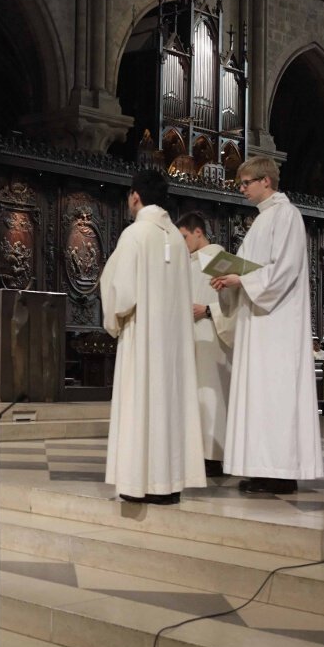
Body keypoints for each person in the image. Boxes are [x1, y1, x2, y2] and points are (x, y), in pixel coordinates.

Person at [211, 157, 324, 495]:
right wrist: (230, 278)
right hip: (256, 323)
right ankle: (261, 468)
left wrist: (241, 279)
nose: (241, 188)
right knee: (257, 396)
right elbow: (251, 268)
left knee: (275, 395)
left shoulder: (287, 215)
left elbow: (283, 270)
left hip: (277, 326)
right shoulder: (261, 221)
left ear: (266, 181)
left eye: (246, 182)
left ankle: (281, 472)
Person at [99, 170, 206, 504]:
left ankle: (141, 484)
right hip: (173, 343)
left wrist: (113, 318)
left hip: (143, 337)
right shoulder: (175, 236)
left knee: (142, 404)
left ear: (135, 196)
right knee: (168, 405)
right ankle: (169, 483)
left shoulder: (135, 234)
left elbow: (123, 293)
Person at [177, 212, 236, 478]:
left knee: (213, 397)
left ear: (198, 232)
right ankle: (196, 453)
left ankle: (214, 456)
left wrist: (209, 310)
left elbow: (236, 298)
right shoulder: (187, 263)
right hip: (192, 338)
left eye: (185, 237)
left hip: (214, 338)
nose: (183, 243)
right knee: (195, 397)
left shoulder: (219, 257)